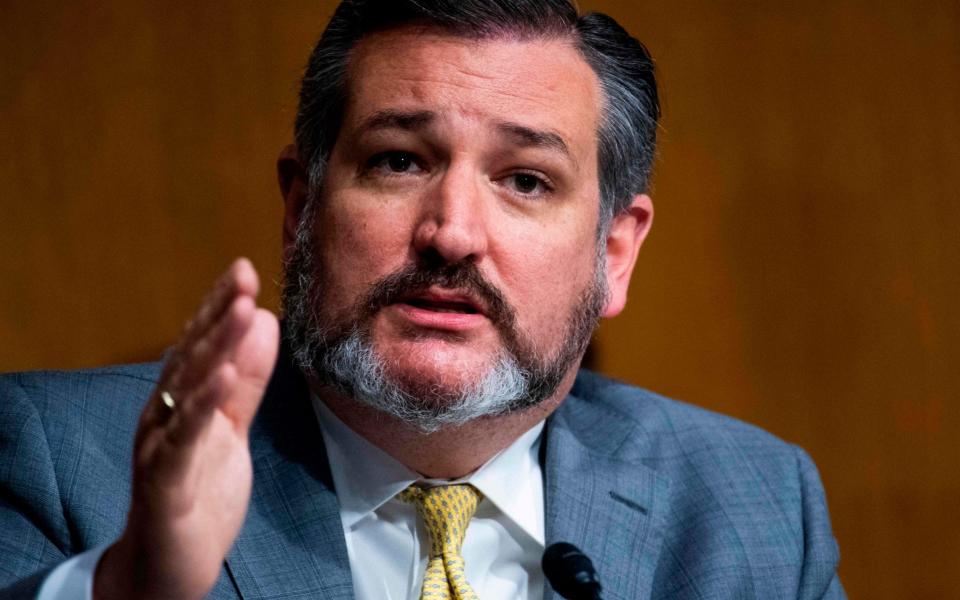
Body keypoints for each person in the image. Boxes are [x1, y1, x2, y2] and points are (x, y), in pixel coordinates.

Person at [0, 1, 845, 598]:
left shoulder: (754, 505)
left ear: (614, 253)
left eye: (525, 179)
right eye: (400, 160)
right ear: (301, 210)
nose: (451, 233)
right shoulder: (55, 459)